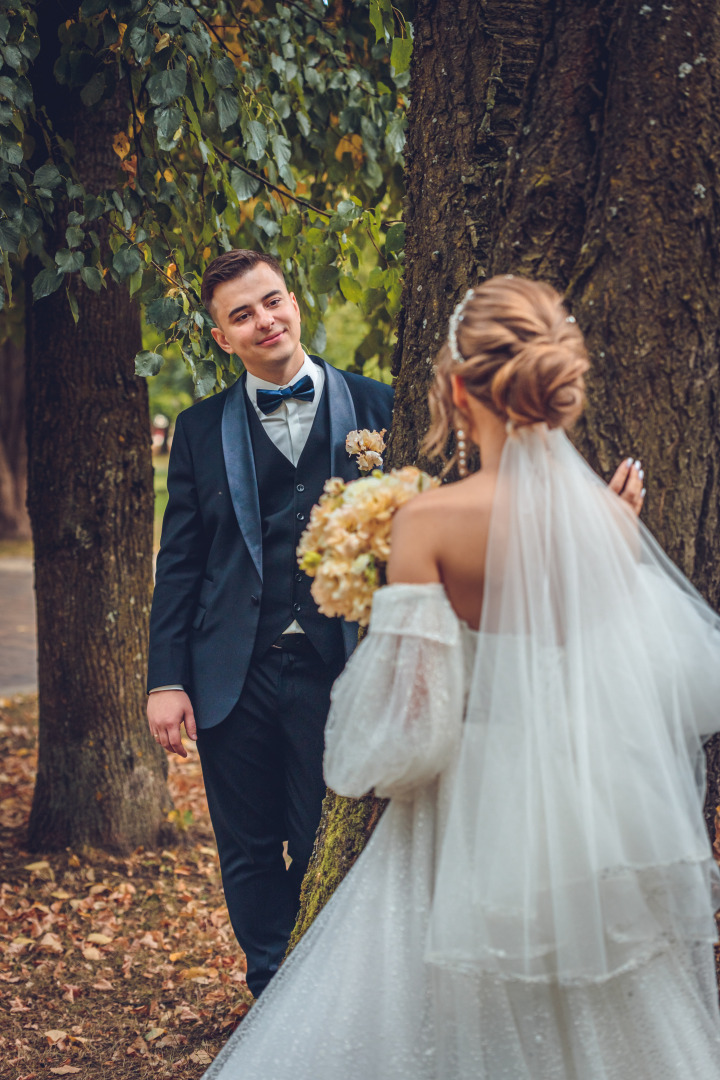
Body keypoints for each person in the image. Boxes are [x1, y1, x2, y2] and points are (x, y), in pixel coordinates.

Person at [200, 276, 720, 1080]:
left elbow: (412, 731)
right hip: (580, 816)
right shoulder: (607, 524)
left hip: (457, 819)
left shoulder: (429, 523)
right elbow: (670, 679)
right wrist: (617, 536)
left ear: (454, 387)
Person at [146, 249, 394, 998]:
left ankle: (329, 996)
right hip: (232, 675)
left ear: (295, 301)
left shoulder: (380, 406)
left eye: (273, 300)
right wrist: (165, 679)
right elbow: (182, 563)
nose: (265, 321)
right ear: (222, 337)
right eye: (242, 314)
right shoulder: (197, 429)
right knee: (250, 851)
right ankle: (271, 993)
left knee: (329, 840)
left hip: (339, 668)